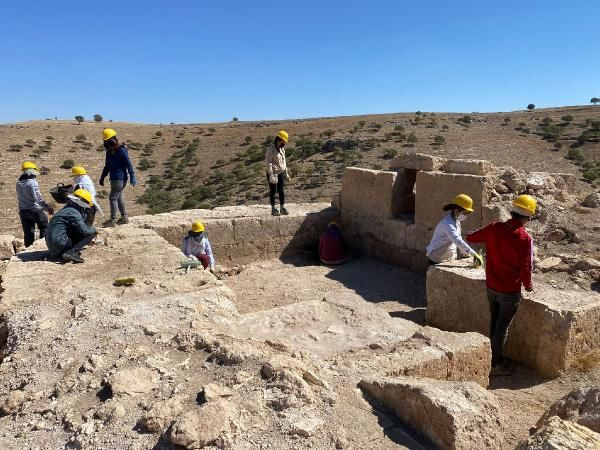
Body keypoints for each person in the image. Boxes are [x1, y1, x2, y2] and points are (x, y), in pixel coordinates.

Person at [466, 194, 536, 376]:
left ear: (512, 211)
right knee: (502, 328)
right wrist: (528, 286)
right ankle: (495, 364)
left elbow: (471, 237)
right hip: (509, 291)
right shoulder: (524, 238)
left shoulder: (494, 228)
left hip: (491, 286)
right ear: (526, 217)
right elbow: (526, 267)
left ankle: (490, 357)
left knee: (494, 321)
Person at [425, 194, 483, 266]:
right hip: (437, 258)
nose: (465, 216)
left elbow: (459, 238)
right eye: (464, 213)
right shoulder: (447, 224)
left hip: (449, 257)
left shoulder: (456, 222)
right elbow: (457, 240)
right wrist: (474, 254)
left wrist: (465, 253)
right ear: (456, 210)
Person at [46, 189, 98, 263]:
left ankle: (60, 253)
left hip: (51, 246)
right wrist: (94, 229)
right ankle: (72, 252)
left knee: (76, 230)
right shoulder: (74, 212)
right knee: (91, 233)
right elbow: (85, 230)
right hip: (60, 243)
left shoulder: (67, 208)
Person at [99, 128, 136, 227]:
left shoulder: (122, 151)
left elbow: (128, 164)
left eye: (107, 141)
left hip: (120, 178)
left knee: (112, 198)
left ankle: (112, 220)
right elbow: (107, 166)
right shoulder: (109, 153)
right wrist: (102, 177)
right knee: (118, 198)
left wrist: (132, 175)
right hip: (114, 178)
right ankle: (124, 218)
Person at [16, 161, 54, 247]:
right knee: (44, 226)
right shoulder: (32, 182)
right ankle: (42, 247)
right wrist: (47, 208)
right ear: (30, 172)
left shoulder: (18, 182)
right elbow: (38, 198)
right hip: (34, 209)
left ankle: (28, 250)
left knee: (29, 232)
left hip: (23, 211)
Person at [266, 130, 291, 216]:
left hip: (280, 172)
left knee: (281, 191)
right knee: (273, 191)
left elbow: (284, 162)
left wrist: (286, 173)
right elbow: (268, 163)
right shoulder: (271, 149)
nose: (284, 143)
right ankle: (273, 210)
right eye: (284, 141)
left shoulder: (282, 149)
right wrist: (271, 175)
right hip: (273, 173)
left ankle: (282, 208)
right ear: (279, 139)